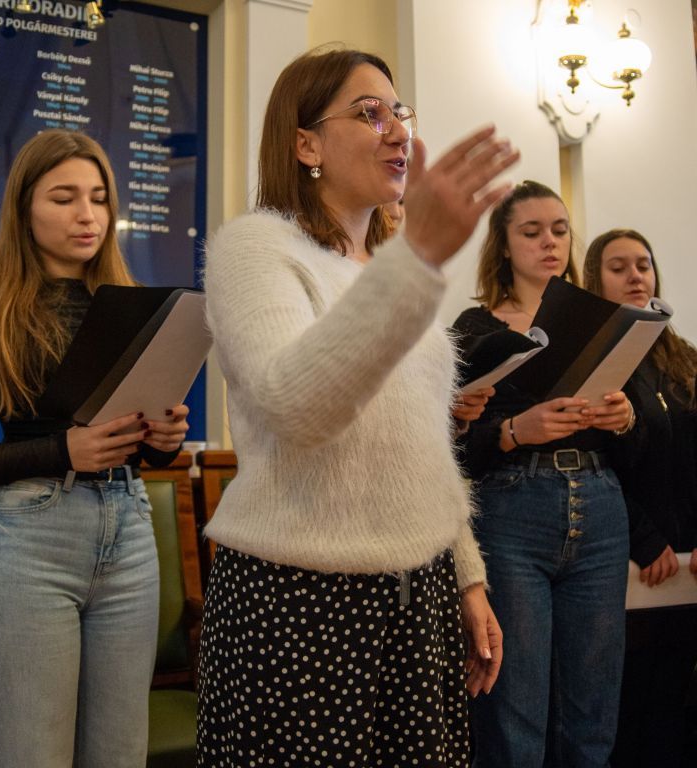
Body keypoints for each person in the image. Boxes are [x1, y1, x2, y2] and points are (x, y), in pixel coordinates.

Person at [198, 46, 519, 767]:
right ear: (305, 144)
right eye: (370, 113)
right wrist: (419, 256)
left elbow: (422, 448)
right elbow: (294, 407)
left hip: (421, 591)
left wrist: (467, 575)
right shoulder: (257, 249)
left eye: (400, 112)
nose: (398, 130)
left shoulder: (387, 267)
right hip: (302, 600)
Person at [0, 129, 190, 768]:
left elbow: (136, 443)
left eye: (99, 198)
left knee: (117, 755)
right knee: (31, 755)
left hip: (129, 533)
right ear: (24, 209)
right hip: (31, 539)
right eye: (64, 198)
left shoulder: (128, 303)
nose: (87, 215)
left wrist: (162, 441)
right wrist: (62, 451)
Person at [452, 180, 635, 767]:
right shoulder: (474, 327)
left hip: (600, 507)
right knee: (516, 704)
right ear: (504, 245)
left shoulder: (601, 322)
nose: (550, 242)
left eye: (559, 230)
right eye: (531, 232)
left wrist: (624, 417)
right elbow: (449, 444)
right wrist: (513, 431)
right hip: (512, 511)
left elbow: (647, 439)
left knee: (593, 705)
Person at [584, 228, 697, 768]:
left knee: (678, 711)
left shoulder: (685, 360)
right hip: (630, 561)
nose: (635, 276)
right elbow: (599, 465)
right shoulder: (593, 363)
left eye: (644, 264)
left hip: (689, 562)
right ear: (594, 281)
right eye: (619, 267)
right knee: (629, 713)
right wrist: (646, 540)